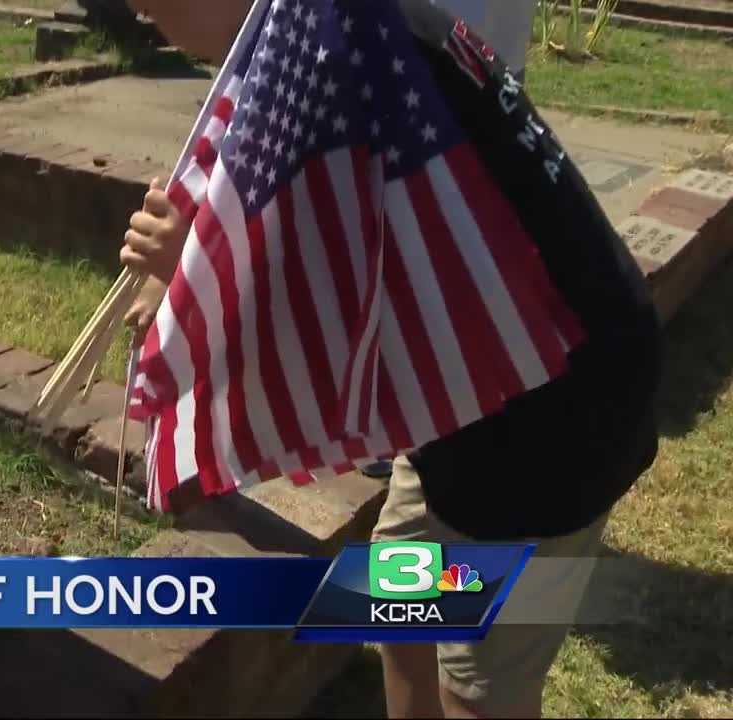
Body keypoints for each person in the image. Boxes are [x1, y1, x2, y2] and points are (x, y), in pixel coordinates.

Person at [118, 1, 661, 718]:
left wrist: (194, 272)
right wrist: (196, 258)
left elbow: (324, 304)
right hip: (473, 384)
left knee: (480, 692)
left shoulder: (338, 51)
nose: (140, 13)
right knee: (390, 611)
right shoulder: (325, 31)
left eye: (153, 4)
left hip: (551, 405)